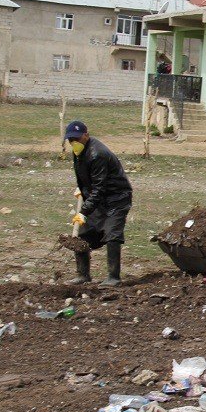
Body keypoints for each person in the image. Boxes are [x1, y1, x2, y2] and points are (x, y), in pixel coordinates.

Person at [64, 121, 133, 287]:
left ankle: (113, 277)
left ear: (86, 135)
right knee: (83, 234)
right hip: (99, 198)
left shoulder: (97, 154)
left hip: (116, 198)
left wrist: (83, 211)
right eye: (70, 140)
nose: (74, 142)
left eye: (77, 138)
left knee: (112, 234)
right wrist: (81, 188)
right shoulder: (78, 150)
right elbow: (87, 176)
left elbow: (99, 188)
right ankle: (83, 275)